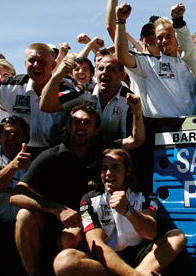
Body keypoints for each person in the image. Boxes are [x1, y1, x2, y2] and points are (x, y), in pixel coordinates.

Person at [10, 101, 144, 276]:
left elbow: (136, 140)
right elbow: (17, 194)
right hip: (55, 221)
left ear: (96, 130)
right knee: (24, 216)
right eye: (76, 122)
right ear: (69, 126)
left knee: (69, 239)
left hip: (92, 223)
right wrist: (57, 209)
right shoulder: (51, 157)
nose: (81, 126)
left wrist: (136, 111)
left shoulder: (103, 153)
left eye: (87, 122)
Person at [52, 148, 186, 276]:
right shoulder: (89, 200)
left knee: (176, 237)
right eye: (104, 168)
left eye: (115, 168)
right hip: (106, 260)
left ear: (127, 171)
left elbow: (150, 233)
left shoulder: (143, 195)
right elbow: (97, 246)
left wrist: (128, 211)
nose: (109, 173)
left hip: (141, 258)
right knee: (64, 262)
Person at [115, 3, 196, 118]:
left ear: (177, 38)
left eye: (168, 36)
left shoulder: (190, 62)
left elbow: (189, 47)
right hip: (161, 130)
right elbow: (122, 57)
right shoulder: (148, 63)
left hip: (193, 129)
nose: (164, 41)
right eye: (160, 37)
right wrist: (121, 21)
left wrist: (178, 21)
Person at [40, 54, 140, 144]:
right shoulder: (82, 91)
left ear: (122, 75)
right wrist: (57, 76)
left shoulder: (129, 100)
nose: (104, 72)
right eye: (101, 69)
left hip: (113, 157)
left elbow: (133, 141)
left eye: (110, 69)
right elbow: (46, 106)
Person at [0, 43, 71, 157]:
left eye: (42, 61)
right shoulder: (10, 87)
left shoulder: (69, 89)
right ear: (24, 64)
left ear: (53, 65)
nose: (36, 65)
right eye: (31, 60)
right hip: (18, 157)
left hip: (54, 157)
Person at [0, 116, 30, 276]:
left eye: (17, 134)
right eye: (7, 134)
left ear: (26, 139)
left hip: (23, 229)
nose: (12, 138)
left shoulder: (36, 162)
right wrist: (12, 167)